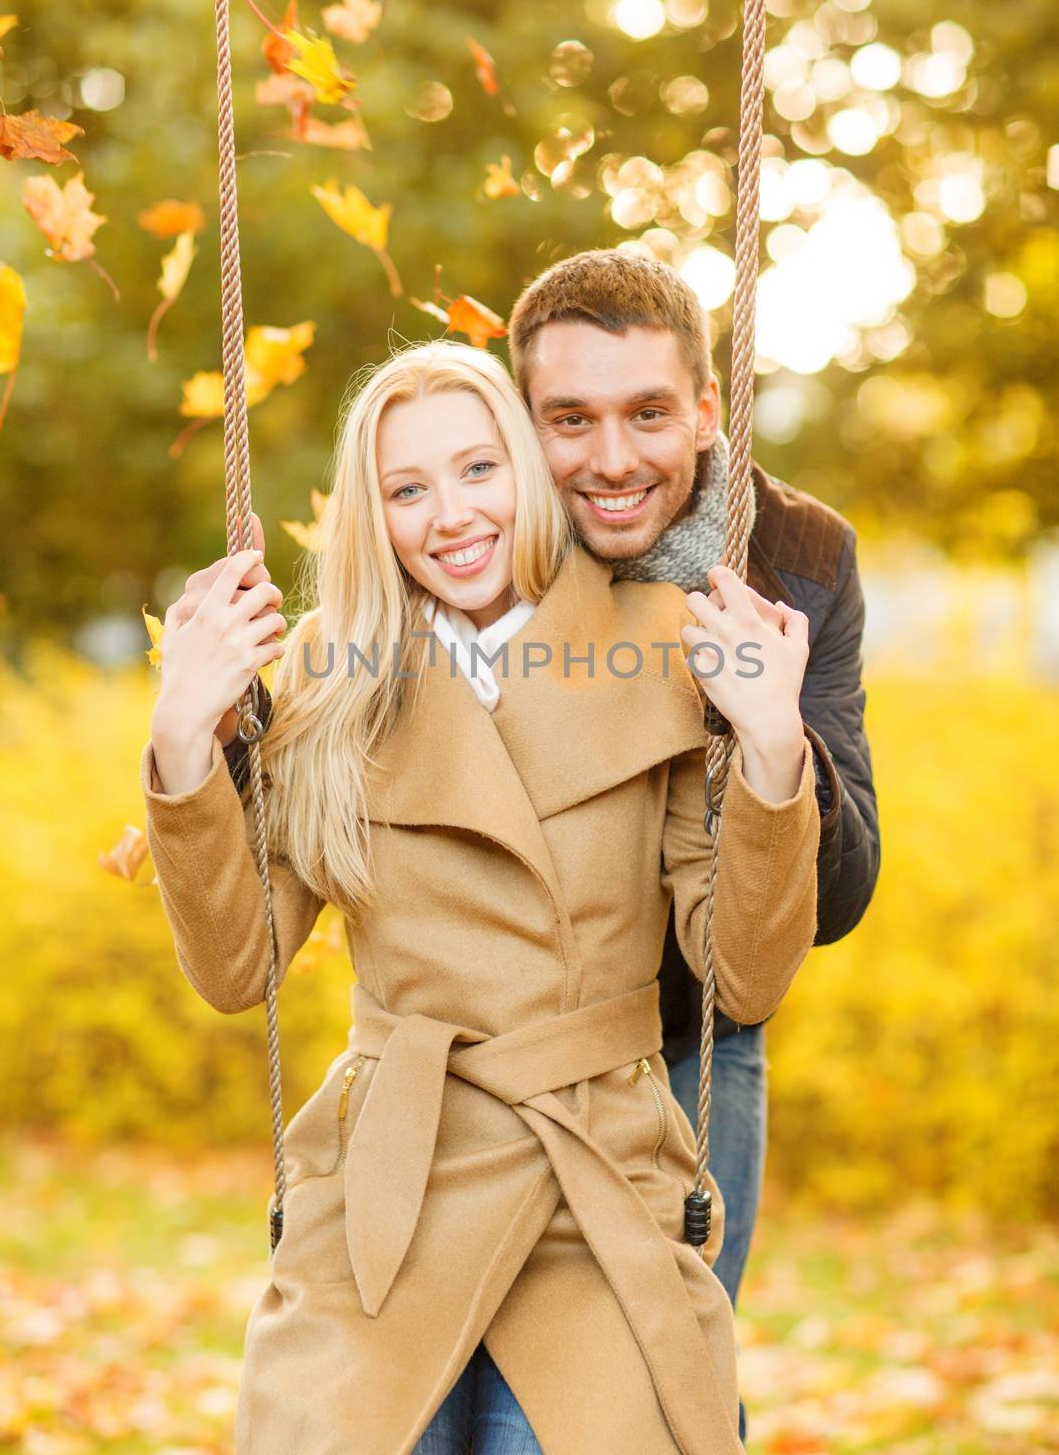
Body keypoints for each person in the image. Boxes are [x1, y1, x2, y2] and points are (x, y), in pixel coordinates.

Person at [141, 340, 821, 1454]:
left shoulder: (668, 642)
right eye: (407, 488)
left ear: (526, 473)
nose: (450, 515)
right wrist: (182, 740)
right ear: (376, 513)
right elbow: (237, 970)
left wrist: (772, 749)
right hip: (386, 1194)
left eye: (477, 470)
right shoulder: (331, 667)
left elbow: (746, 971)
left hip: (595, 1189)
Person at [507, 250, 881, 1441]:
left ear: (709, 410)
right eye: (570, 419)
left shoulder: (798, 555)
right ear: (525, 423)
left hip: (693, 1042)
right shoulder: (481, 540)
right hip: (505, 1049)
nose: (612, 460)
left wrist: (764, 734)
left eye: (649, 413)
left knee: (662, 1393)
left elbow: (841, 893)